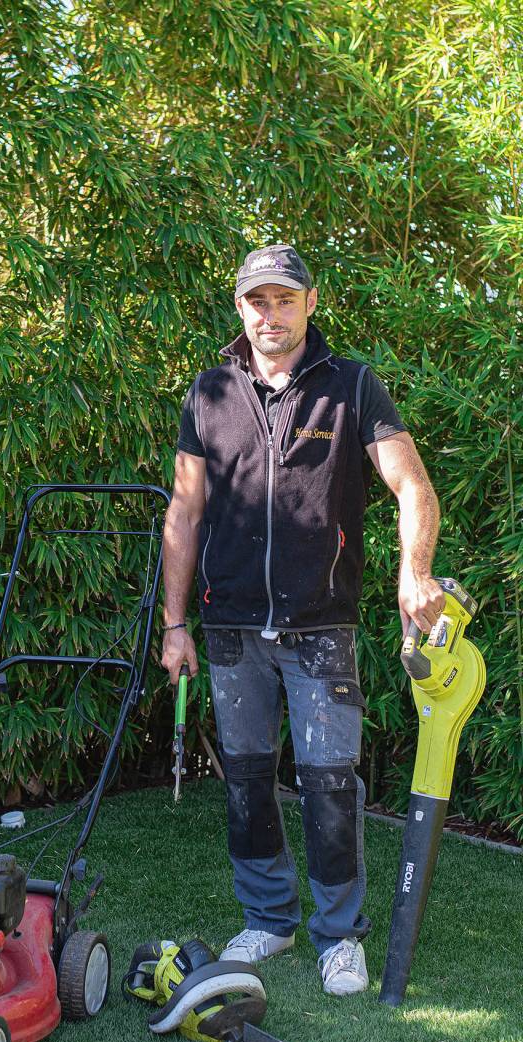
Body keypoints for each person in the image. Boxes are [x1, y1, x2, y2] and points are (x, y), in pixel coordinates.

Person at [161, 244, 443, 995]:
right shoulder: (209, 393)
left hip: (321, 624)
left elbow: (412, 485)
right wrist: (174, 624)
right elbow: (184, 514)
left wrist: (413, 572)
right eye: (258, 301)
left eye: (285, 300)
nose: (271, 315)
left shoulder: (350, 387)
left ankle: (338, 935)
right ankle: (268, 919)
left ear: (310, 304)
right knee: (248, 779)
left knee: (328, 781)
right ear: (239, 309)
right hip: (229, 625)